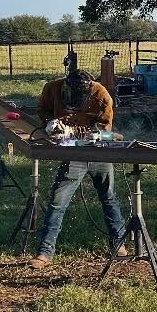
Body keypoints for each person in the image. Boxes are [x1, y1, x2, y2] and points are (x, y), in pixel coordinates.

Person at [31, 54, 126, 270]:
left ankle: (118, 243)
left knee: (108, 197)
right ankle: (45, 253)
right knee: (57, 201)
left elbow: (106, 128)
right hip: (71, 153)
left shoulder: (101, 95)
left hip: (96, 151)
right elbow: (43, 111)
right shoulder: (52, 89)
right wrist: (50, 125)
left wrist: (86, 133)